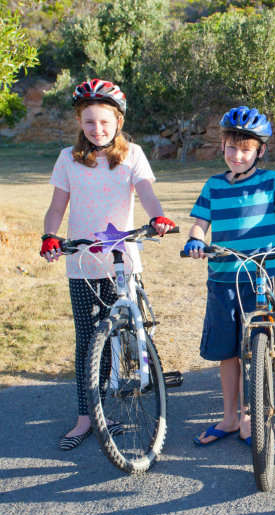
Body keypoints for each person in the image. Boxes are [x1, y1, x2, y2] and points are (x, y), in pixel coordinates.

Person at [185, 106, 275, 447]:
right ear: (222, 147)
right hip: (224, 278)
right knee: (228, 352)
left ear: (260, 151)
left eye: (247, 148)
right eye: (232, 147)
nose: (238, 155)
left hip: (265, 278)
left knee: (261, 347)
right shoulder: (213, 186)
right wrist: (195, 239)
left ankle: (252, 417)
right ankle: (229, 417)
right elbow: (200, 222)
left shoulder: (272, 182)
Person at [41, 79, 176, 450]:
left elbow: (147, 194)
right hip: (84, 263)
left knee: (131, 328)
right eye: (88, 122)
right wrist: (49, 236)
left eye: (104, 121)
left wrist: (159, 218)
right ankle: (89, 416)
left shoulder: (131, 154)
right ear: (79, 123)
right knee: (88, 340)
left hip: (122, 260)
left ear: (118, 120)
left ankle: (146, 373)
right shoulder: (68, 158)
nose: (96, 129)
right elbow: (57, 208)